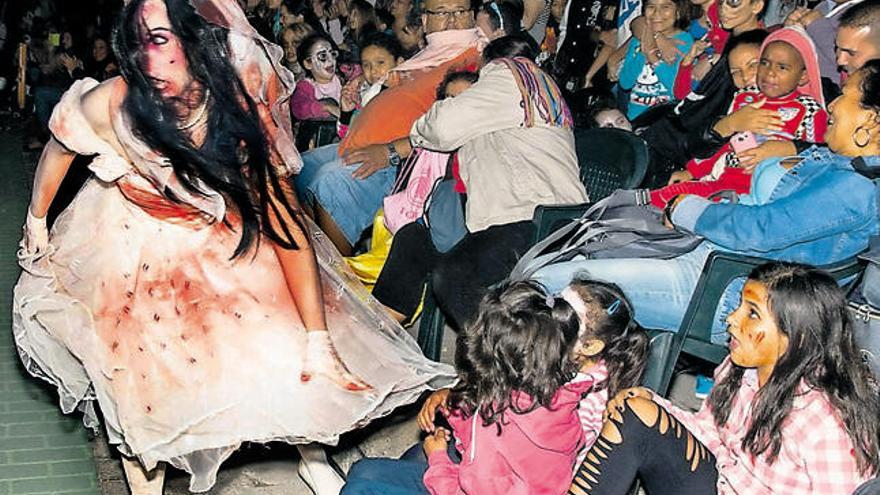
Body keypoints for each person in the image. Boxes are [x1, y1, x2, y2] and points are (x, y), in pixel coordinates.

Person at [12, 0, 456, 494]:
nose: (147, 59)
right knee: (143, 388)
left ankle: (311, 452)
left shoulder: (237, 103)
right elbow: (59, 149)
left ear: (196, 43)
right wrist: (36, 221)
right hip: (133, 236)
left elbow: (286, 226)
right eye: (137, 42)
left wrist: (317, 337)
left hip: (220, 227)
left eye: (160, 40)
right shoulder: (109, 104)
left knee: (282, 343)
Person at [532, 59, 880, 339]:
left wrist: (688, 208)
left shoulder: (856, 187)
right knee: (569, 260)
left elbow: (758, 230)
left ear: (872, 118)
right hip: (707, 259)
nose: (833, 103)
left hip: (725, 291)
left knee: (547, 282)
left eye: (845, 94)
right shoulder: (841, 165)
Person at [569, 262, 880, 494]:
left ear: (795, 337)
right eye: (740, 307)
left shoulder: (826, 423)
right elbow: (709, 431)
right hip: (719, 481)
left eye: (752, 313)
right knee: (636, 410)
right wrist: (654, 404)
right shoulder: (740, 370)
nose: (732, 319)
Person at [371, 35, 586, 330]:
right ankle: (380, 332)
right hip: (501, 216)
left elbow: (441, 127)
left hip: (537, 218)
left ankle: (501, 362)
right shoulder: (517, 101)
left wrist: (431, 123)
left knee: (454, 274)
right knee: (414, 239)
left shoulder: (512, 73)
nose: (460, 104)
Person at [341, 280, 601, 494]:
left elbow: (468, 482)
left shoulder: (499, 433)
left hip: (464, 485)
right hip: (486, 477)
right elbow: (490, 417)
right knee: (365, 474)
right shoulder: (552, 395)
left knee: (361, 487)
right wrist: (454, 406)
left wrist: (438, 458)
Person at [294, 0, 485, 255]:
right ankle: (315, 256)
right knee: (299, 166)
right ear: (426, 21)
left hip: (404, 158)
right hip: (362, 141)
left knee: (331, 182)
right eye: (441, 13)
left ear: (472, 16)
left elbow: (453, 126)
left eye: (460, 12)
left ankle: (340, 281)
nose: (451, 20)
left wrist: (390, 152)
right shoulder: (428, 55)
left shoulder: (475, 56)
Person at [652, 26, 828, 207]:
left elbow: (822, 157)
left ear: (803, 76)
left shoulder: (809, 109)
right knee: (664, 198)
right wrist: (692, 171)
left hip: (771, 191)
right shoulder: (745, 98)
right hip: (726, 181)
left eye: (782, 67)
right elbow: (726, 144)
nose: (770, 72)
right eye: (765, 63)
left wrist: (789, 150)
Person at [617, 0, 695, 119]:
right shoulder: (637, 39)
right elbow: (625, 82)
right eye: (651, 6)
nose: (657, 13)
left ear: (678, 13)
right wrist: (646, 48)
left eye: (665, 7)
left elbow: (677, 90)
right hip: (636, 116)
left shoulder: (685, 41)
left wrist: (654, 59)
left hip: (669, 119)